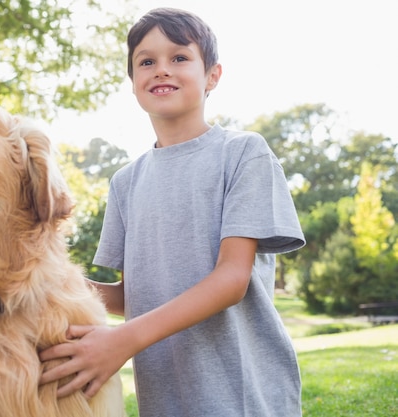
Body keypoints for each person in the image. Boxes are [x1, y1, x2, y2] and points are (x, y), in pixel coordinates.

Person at [39, 7, 305, 417]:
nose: (161, 69)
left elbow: (232, 279)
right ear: (133, 82)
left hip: (243, 393)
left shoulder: (243, 154)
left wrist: (123, 341)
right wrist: (41, 284)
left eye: (179, 57)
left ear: (212, 75)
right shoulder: (125, 182)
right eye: (147, 61)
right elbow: (134, 296)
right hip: (165, 399)